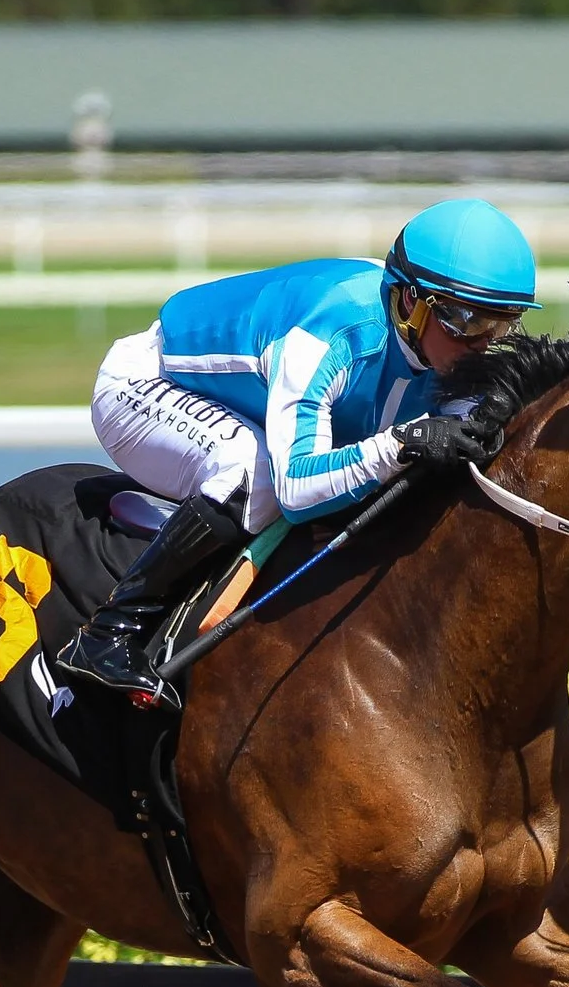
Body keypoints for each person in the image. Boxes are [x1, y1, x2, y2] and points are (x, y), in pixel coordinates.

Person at [54, 197, 538, 701]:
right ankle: (109, 633)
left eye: (501, 324)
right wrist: (403, 443)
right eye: (467, 321)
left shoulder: (431, 341)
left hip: (249, 405)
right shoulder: (331, 330)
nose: (482, 342)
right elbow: (297, 489)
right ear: (410, 303)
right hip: (145, 385)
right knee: (255, 472)